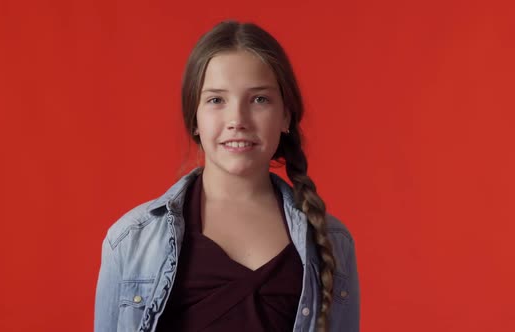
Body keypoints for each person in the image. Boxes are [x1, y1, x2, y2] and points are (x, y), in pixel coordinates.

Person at [94, 20, 359, 332]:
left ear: (285, 115)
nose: (237, 120)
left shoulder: (332, 242)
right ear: (195, 118)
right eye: (216, 100)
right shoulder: (130, 239)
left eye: (259, 99)